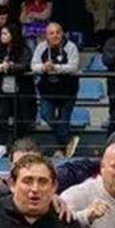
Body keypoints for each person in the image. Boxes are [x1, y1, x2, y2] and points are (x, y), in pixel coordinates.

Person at [30, 23, 81, 155]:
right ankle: (69, 141)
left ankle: (62, 150)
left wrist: (55, 68)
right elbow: (33, 65)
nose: (55, 36)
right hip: (47, 91)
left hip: (68, 91)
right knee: (46, 115)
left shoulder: (71, 47)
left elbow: (74, 66)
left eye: (58, 32)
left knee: (64, 121)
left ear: (62, 33)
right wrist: (43, 67)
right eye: (51, 33)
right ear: (46, 35)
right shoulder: (41, 47)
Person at [0, 23, 35, 156]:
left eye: (5, 34)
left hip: (21, 89)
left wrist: (11, 67)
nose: (2, 36)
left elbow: (26, 65)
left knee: (20, 117)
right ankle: (2, 145)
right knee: (1, 115)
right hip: (2, 89)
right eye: (2, 34)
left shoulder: (24, 49)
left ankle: (18, 146)